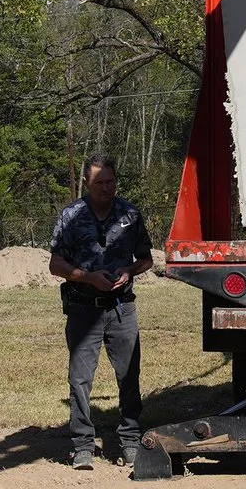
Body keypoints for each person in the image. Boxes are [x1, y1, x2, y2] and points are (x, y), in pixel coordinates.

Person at [49, 156, 153, 469]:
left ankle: (130, 441)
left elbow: (146, 258)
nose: (106, 188)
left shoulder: (130, 214)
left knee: (129, 376)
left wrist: (129, 270)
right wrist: (86, 277)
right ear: (87, 183)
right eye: (99, 183)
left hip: (122, 309)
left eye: (110, 181)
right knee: (80, 381)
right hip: (84, 309)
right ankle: (83, 446)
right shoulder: (71, 215)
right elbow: (55, 264)